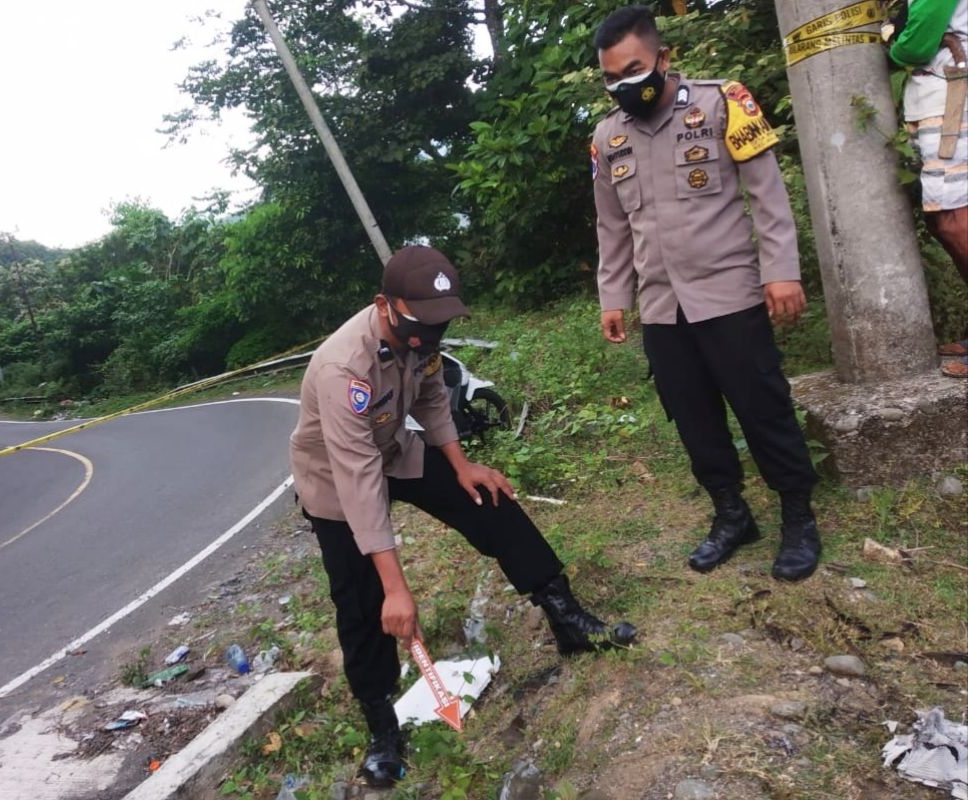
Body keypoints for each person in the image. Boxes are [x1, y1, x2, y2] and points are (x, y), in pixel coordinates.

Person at [290, 245, 636, 788]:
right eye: (421, 326)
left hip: (393, 449)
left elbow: (430, 399)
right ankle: (383, 725)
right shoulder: (343, 369)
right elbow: (358, 483)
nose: (430, 338)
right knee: (363, 598)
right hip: (335, 480)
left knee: (489, 500)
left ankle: (565, 616)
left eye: (439, 327)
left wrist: (462, 465)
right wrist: (397, 589)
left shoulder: (419, 334)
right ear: (386, 306)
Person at [590, 7, 822, 582]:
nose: (625, 85)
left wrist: (782, 271)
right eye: (612, 78)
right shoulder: (606, 137)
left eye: (635, 70)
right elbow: (612, 227)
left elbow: (767, 194)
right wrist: (613, 296)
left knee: (763, 407)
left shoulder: (723, 103)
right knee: (693, 417)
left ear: (664, 59)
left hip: (731, 295)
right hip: (663, 307)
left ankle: (798, 516)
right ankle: (731, 514)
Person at [887, 0, 968, 378]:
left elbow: (912, 47)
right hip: (938, 98)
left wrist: (893, 40)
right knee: (942, 223)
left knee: (956, 222)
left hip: (952, 99)